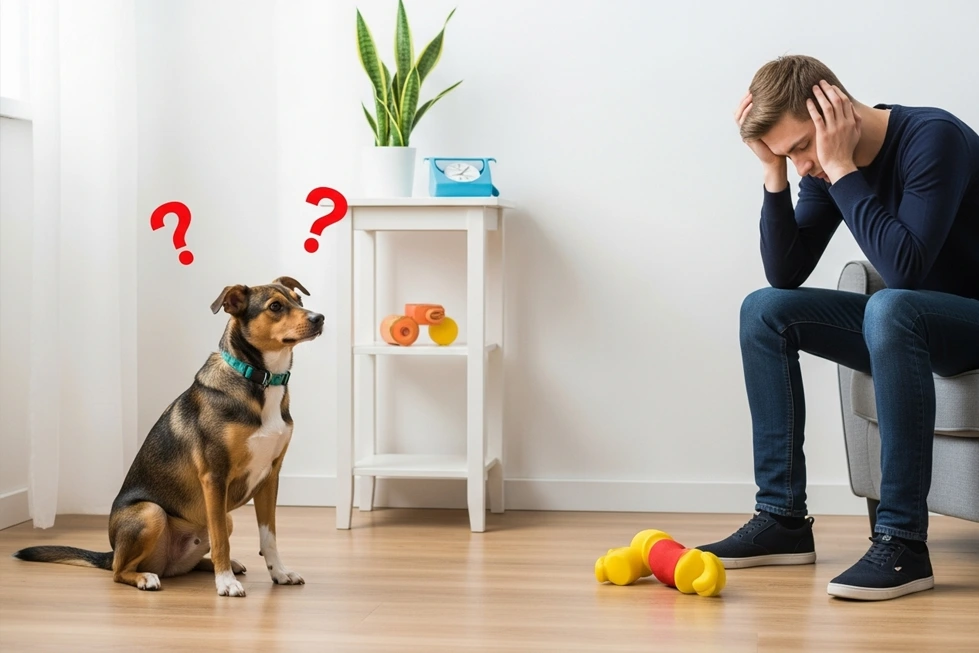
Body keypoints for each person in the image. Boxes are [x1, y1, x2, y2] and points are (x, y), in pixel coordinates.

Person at [697, 54, 979, 601]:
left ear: (835, 109)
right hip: (918, 327)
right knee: (764, 310)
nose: (805, 164)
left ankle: (902, 544)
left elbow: (904, 270)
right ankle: (782, 518)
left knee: (891, 305)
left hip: (966, 319)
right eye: (790, 153)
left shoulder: (932, 138)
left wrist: (842, 168)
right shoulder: (819, 168)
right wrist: (774, 173)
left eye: (802, 146)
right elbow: (785, 273)